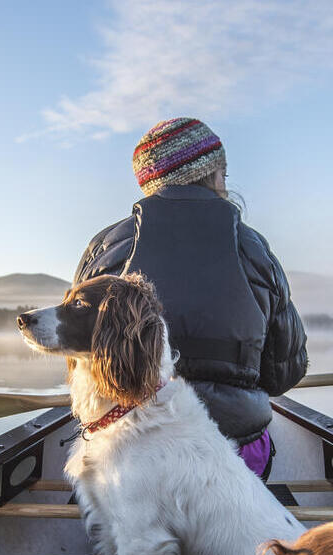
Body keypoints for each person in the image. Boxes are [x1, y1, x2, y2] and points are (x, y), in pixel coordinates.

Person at [74, 117, 308, 479]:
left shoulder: (104, 248)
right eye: (223, 175)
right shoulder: (255, 249)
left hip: (131, 455)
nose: (225, 186)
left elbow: (78, 366)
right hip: (232, 451)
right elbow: (284, 375)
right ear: (212, 175)